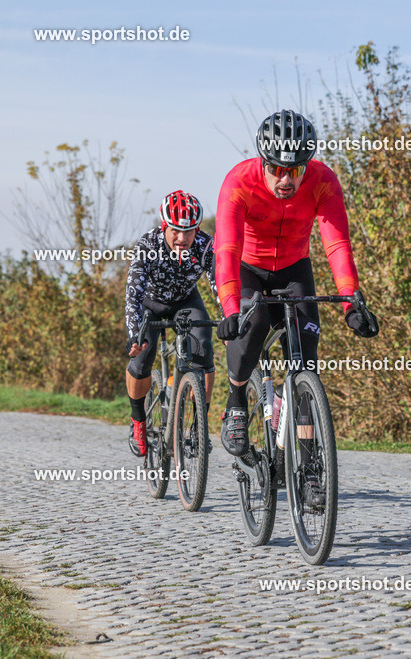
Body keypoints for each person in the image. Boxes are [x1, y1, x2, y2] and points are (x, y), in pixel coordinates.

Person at [213, 109, 378, 505]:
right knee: (250, 329)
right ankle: (236, 401)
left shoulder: (323, 181)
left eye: (296, 170)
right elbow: (226, 249)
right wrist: (231, 309)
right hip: (248, 268)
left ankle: (309, 472)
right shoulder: (238, 182)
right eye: (277, 169)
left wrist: (351, 302)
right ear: (262, 161)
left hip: (294, 269)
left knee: (305, 367)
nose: (286, 180)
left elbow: (336, 243)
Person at [126, 190, 216, 457]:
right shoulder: (148, 246)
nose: (182, 238)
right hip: (149, 305)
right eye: (176, 230)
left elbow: (219, 284)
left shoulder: (205, 245)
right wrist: (134, 334)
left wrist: (231, 316)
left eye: (189, 231)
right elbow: (133, 294)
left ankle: (200, 426)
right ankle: (138, 422)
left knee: (204, 349)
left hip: (185, 302)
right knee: (142, 358)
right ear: (165, 226)